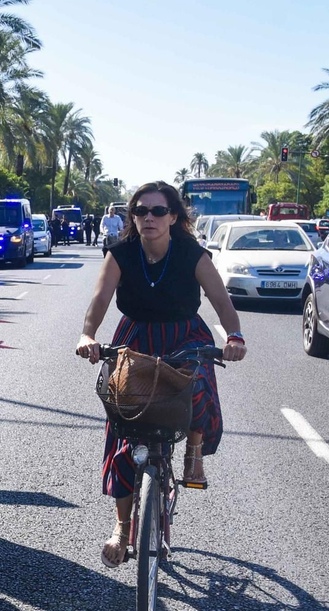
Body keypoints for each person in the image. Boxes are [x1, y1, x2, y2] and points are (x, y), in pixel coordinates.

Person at [75, 181, 245, 567]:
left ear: (173, 217)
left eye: (157, 211)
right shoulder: (120, 254)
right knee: (122, 425)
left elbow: (221, 301)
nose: (148, 218)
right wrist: (88, 335)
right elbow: (100, 300)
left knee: (197, 381)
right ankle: (121, 527)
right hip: (136, 337)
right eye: (140, 211)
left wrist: (234, 336)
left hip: (183, 333)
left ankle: (194, 451)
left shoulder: (191, 253)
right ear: (132, 217)